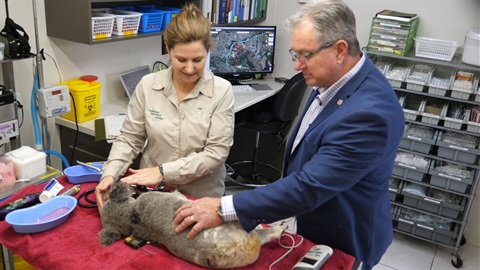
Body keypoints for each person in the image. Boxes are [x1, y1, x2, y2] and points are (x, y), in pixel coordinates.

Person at [173, 0, 405, 269]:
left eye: (304, 55)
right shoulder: (335, 80)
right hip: (316, 221)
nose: (297, 65)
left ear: (340, 50)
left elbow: (308, 187)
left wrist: (221, 208)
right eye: (295, 54)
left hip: (347, 235)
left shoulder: (369, 114)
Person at [95, 3, 235, 210]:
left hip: (199, 200)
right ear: (168, 49)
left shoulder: (221, 91)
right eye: (181, 59)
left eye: (198, 59)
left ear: (208, 51)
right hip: (152, 195)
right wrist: (110, 173)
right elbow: (130, 139)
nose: (189, 68)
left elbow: (215, 154)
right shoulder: (148, 85)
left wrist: (162, 172)